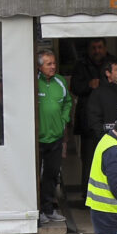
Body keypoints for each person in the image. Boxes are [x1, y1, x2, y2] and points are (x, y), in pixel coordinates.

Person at [71, 38, 117, 196]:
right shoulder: (81, 64)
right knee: (89, 161)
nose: (97, 51)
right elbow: (74, 87)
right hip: (88, 124)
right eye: (93, 48)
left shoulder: (113, 63)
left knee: (113, 160)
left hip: (112, 121)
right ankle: (88, 196)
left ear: (105, 48)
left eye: (100, 47)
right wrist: (88, 85)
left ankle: (112, 194)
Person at [36, 49, 71, 225]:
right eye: (49, 64)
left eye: (54, 63)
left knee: (51, 174)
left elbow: (68, 102)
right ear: (39, 66)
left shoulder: (60, 82)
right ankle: (38, 210)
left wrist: (64, 119)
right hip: (37, 139)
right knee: (35, 176)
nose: (53, 66)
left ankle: (49, 209)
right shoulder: (34, 82)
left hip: (55, 138)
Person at [85, 58, 117, 141]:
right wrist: (104, 137)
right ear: (107, 73)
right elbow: (94, 120)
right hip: (106, 140)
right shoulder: (97, 94)